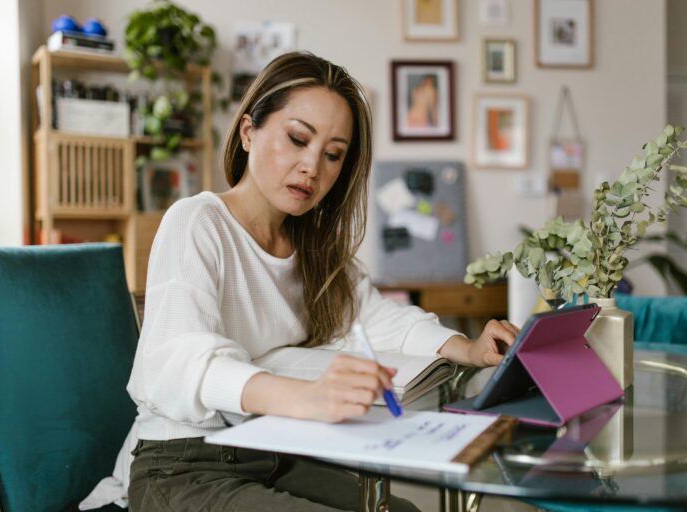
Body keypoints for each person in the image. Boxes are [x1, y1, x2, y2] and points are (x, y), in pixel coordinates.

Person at [127, 51, 519, 512]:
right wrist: (307, 398)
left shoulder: (314, 249)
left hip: (268, 450)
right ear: (249, 131)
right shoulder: (197, 222)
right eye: (297, 139)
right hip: (181, 463)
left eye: (333, 154)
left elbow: (377, 319)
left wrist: (469, 348)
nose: (313, 167)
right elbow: (183, 361)